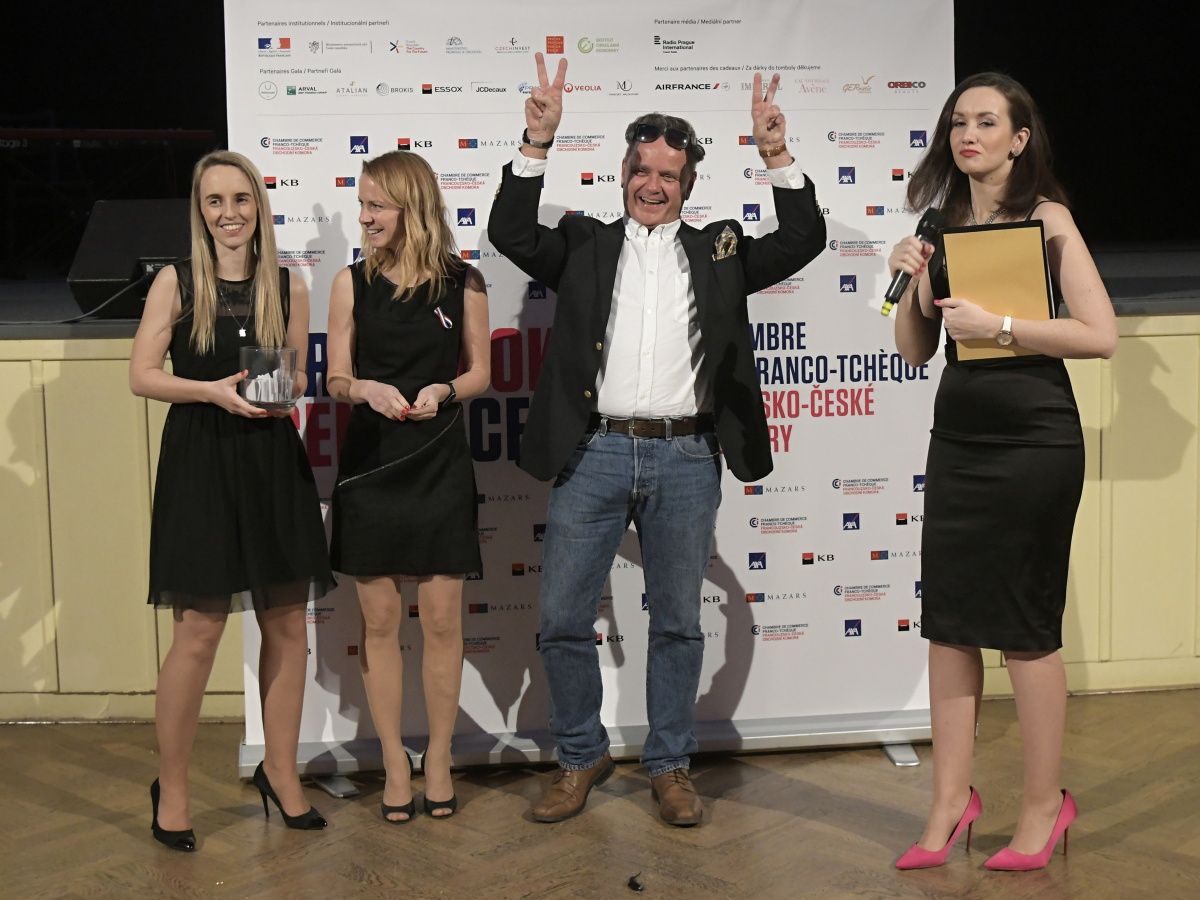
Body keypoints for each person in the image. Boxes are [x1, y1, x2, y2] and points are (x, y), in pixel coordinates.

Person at [488, 54, 826, 826]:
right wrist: (536, 141)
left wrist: (776, 153)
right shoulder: (582, 244)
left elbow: (803, 236)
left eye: (668, 175)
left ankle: (670, 765)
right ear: (622, 174)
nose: (652, 185)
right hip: (592, 452)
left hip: (686, 458)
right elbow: (509, 230)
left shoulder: (722, 251)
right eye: (641, 170)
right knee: (562, 619)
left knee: (676, 623)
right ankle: (580, 754)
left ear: (688, 184)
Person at [887, 72, 1116, 871]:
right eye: (959, 122)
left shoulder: (1047, 219)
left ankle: (1044, 807)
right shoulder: (939, 224)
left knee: (1023, 628)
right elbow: (914, 351)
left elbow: (1100, 335)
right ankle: (951, 803)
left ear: (1020, 139)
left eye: (986, 122)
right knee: (950, 624)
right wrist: (914, 284)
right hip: (959, 439)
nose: (968, 135)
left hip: (1033, 441)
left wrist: (1003, 325)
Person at [130, 150, 335, 851]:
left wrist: (285, 389)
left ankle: (282, 774)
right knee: (198, 633)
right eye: (215, 201)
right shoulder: (177, 281)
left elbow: (296, 377)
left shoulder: (288, 283)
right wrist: (211, 391)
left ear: (258, 207)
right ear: (200, 210)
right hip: (201, 460)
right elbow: (142, 375)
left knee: (287, 625)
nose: (229, 213)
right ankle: (173, 791)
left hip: (270, 459)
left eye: (240, 199)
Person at [326, 150, 489, 822]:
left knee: (444, 620)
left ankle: (440, 758)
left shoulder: (463, 280)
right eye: (361, 205)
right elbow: (336, 377)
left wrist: (443, 390)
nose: (364, 218)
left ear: (410, 208)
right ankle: (395, 761)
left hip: (439, 460)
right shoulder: (351, 282)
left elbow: (480, 372)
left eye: (376, 206)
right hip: (372, 466)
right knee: (381, 622)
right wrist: (363, 388)